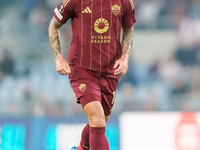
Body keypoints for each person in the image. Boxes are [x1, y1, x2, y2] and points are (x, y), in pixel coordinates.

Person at [48, 0, 136, 149]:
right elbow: (53, 25)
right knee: (97, 119)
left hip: (110, 71)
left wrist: (125, 57)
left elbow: (129, 30)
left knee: (99, 122)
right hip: (82, 69)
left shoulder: (125, 2)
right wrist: (58, 58)